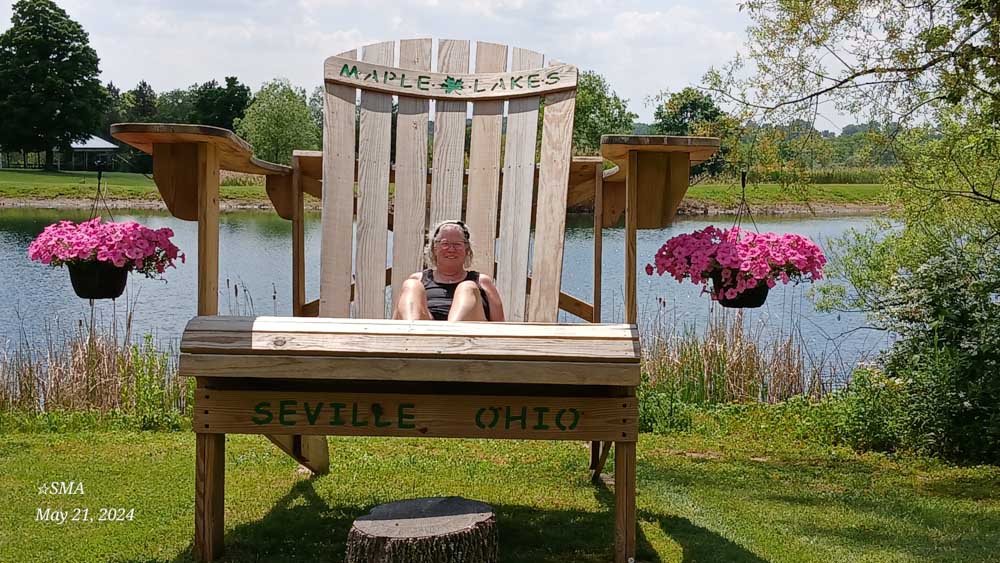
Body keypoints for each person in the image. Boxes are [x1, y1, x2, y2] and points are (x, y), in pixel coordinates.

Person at [392, 219, 505, 321]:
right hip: (425, 334)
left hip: (467, 336)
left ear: (467, 250)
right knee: (411, 285)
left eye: (457, 244)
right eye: (445, 243)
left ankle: (451, 333)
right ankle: (413, 333)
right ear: (434, 248)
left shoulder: (482, 282)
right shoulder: (418, 279)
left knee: (467, 288)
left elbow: (500, 327)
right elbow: (396, 319)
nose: (451, 249)